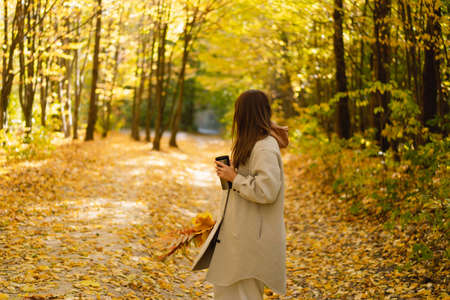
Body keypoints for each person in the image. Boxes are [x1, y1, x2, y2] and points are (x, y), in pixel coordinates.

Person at [191, 89, 288, 300]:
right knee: (227, 290)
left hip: (252, 240)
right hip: (239, 234)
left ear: (246, 114)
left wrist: (235, 178)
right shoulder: (252, 143)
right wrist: (232, 173)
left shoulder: (264, 148)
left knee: (243, 294)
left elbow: (267, 191)